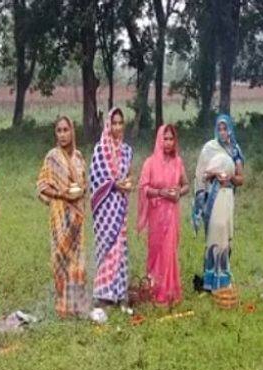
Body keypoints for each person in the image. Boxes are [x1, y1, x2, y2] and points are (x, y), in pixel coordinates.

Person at [37, 116, 89, 317]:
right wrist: (62, 194)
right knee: (61, 259)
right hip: (60, 216)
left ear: (72, 132)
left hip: (76, 217)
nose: (62, 134)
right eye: (59, 130)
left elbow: (83, 184)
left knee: (77, 262)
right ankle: (62, 308)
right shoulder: (52, 157)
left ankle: (76, 306)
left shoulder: (79, 157)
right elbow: (42, 185)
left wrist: (80, 192)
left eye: (66, 130)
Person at [192, 114, 245, 292]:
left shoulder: (235, 150)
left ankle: (223, 279)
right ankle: (209, 280)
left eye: (225, 128)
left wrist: (229, 178)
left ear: (230, 129)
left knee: (224, 233)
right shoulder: (210, 148)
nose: (222, 132)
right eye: (219, 128)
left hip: (226, 196)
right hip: (212, 198)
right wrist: (213, 175)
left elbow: (240, 179)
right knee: (213, 234)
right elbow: (201, 175)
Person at [137, 124, 189, 306]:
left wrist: (178, 193)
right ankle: (155, 288)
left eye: (171, 139)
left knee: (169, 252)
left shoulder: (178, 162)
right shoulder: (150, 163)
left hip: (172, 214)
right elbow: (143, 188)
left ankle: (168, 291)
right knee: (156, 251)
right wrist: (161, 193)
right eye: (165, 138)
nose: (168, 143)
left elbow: (186, 185)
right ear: (159, 139)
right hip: (156, 215)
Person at [90, 107, 134, 307]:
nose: (117, 127)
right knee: (107, 246)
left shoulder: (127, 151)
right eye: (114, 123)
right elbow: (96, 180)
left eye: (120, 123)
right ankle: (103, 293)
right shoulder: (100, 150)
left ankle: (118, 291)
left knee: (120, 246)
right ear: (108, 125)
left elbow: (128, 175)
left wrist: (127, 183)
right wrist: (114, 185)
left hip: (120, 206)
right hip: (105, 209)